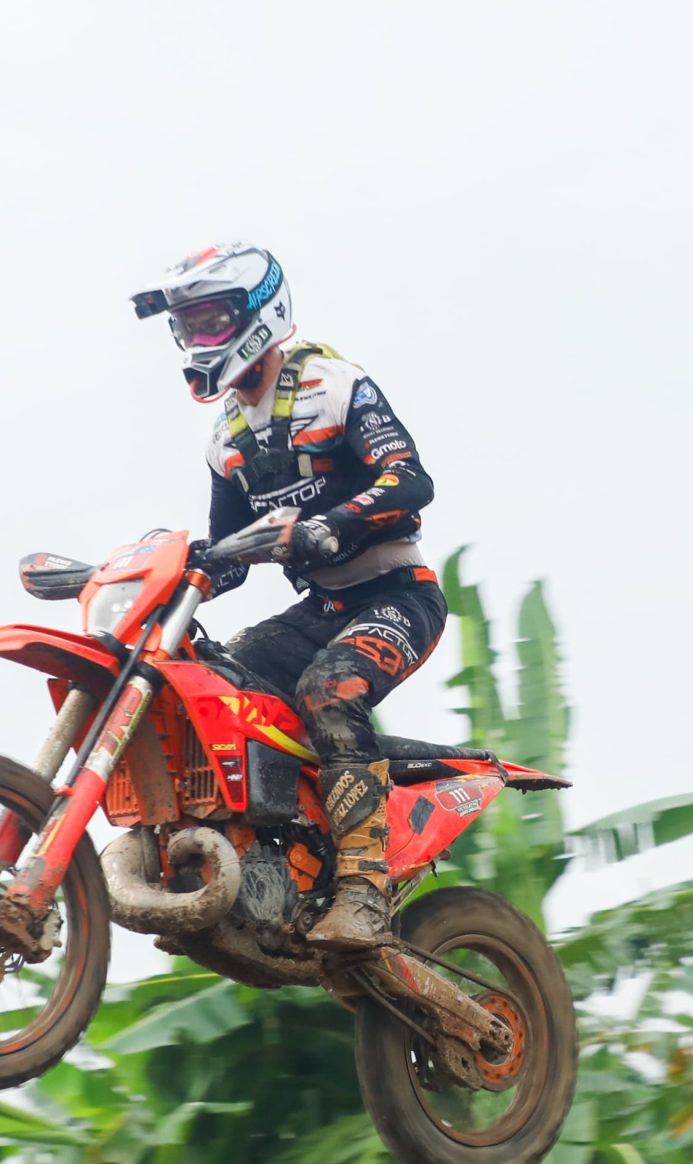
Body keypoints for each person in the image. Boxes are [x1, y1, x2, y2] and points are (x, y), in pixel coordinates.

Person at [134, 242, 442, 947]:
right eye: (189, 326)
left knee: (329, 690)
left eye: (212, 320)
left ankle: (364, 891)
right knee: (211, 685)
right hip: (321, 609)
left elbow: (410, 480)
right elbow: (229, 554)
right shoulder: (227, 438)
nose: (200, 338)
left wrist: (330, 525)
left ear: (258, 311)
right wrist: (175, 578)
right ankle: (264, 858)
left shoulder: (333, 384)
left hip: (398, 594)